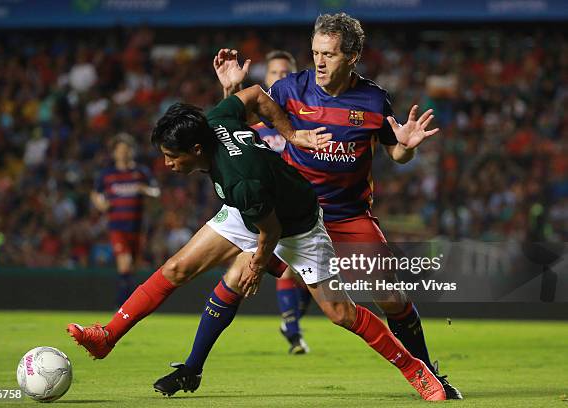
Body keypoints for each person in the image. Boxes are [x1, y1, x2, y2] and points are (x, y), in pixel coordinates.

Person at [67, 84, 446, 401]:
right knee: (176, 267)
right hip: (250, 210)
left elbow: (272, 231)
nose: (167, 164)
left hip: (295, 223)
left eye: (171, 157)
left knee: (341, 314)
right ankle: (107, 336)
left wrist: (256, 264)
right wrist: (291, 132)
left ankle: (415, 369)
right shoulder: (214, 120)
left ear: (197, 151)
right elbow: (253, 95)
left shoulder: (239, 179)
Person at [210, 12, 462, 399]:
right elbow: (235, 129)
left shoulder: (375, 99)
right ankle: (193, 365)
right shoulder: (289, 89)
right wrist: (231, 91)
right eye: (315, 53)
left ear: (353, 56)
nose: (320, 62)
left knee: (392, 298)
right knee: (232, 271)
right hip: (298, 214)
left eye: (328, 54)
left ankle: (429, 373)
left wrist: (405, 148)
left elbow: (395, 153)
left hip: (349, 216)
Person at [219, 48, 313, 354]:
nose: (281, 78)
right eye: (274, 73)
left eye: (287, 73)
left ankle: (292, 320)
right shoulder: (251, 124)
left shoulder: (304, 121)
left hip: (308, 204)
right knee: (286, 269)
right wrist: (230, 90)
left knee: (311, 281)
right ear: (266, 79)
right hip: (270, 211)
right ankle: (293, 329)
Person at [91, 133, 160, 305]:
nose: (123, 153)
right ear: (114, 152)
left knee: (132, 267)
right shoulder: (107, 174)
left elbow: (156, 191)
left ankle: (128, 302)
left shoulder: (141, 172)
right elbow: (96, 193)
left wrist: (145, 191)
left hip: (137, 227)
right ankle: (123, 304)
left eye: (126, 149)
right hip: (117, 226)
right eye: (119, 150)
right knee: (125, 264)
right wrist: (101, 204)